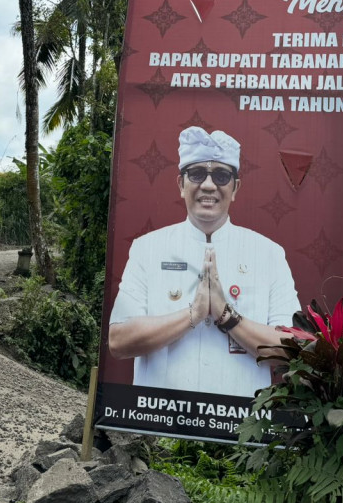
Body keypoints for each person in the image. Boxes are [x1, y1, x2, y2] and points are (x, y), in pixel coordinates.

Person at [108, 126, 300, 397]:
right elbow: (119, 341)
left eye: (221, 175)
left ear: (235, 188)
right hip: (159, 427)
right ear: (181, 185)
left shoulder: (268, 254)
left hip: (240, 427)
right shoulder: (147, 248)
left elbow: (292, 350)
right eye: (197, 174)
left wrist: (227, 316)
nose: (209, 185)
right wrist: (192, 315)